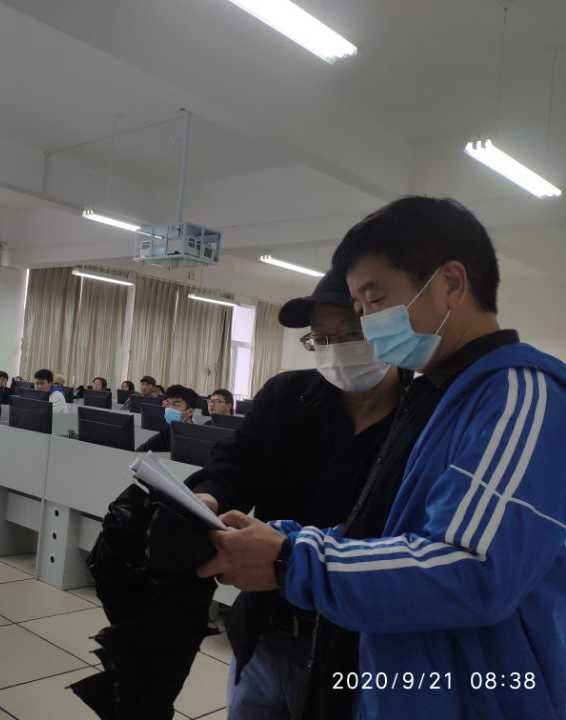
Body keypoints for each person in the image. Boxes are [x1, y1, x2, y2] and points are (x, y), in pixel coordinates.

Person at [198, 197, 566, 720]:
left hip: (481, 688)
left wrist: (290, 560)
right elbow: (386, 532)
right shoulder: (438, 396)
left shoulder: (519, 394)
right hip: (408, 677)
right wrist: (281, 538)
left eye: (373, 302)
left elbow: (473, 569)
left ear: (451, 283)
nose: (369, 324)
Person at [187, 270, 403, 720]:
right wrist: (207, 498)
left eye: (351, 334)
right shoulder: (286, 396)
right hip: (266, 626)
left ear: (389, 327)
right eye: (320, 339)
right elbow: (234, 464)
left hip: (360, 645)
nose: (335, 349)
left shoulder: (423, 415)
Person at [136, 384, 198, 452]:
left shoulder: (198, 437)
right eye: (167, 404)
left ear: (190, 412)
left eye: (175, 405)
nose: (169, 409)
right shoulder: (166, 433)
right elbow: (140, 451)